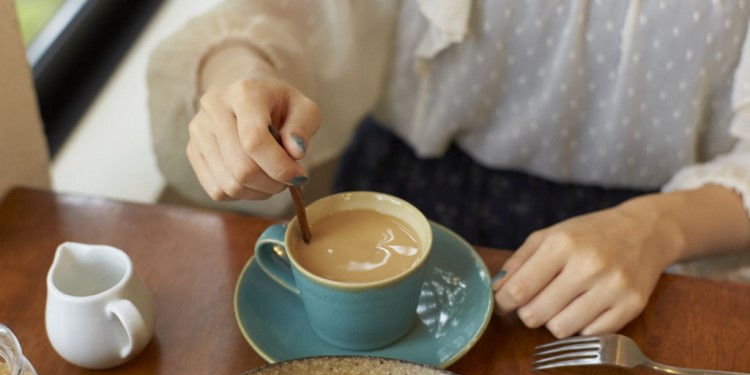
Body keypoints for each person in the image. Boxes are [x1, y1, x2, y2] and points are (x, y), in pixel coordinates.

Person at [147, 0, 750, 339]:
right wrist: (237, 76)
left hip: (656, 244)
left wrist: (657, 228)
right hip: (418, 191)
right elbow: (289, 15)